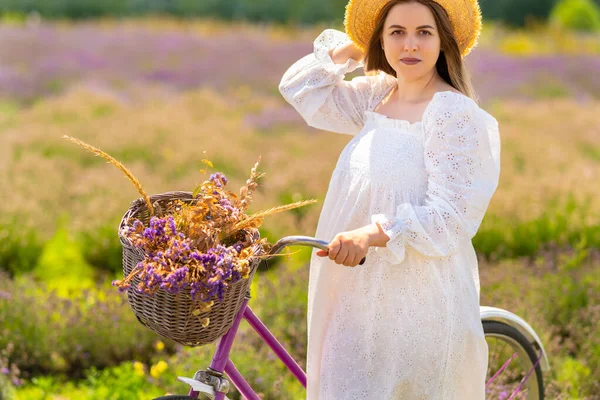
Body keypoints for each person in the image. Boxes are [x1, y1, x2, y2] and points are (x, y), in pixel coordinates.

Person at [278, 0, 501, 398]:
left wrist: (372, 232)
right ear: (381, 40)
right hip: (352, 291)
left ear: (443, 41)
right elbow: (299, 88)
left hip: (414, 298)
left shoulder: (452, 113)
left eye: (424, 33)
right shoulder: (376, 95)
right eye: (397, 32)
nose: (410, 45)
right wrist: (352, 48)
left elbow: (450, 216)